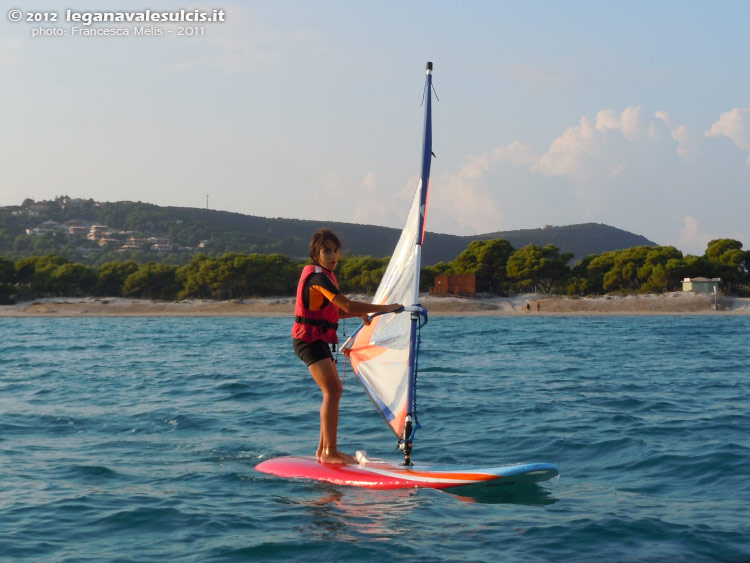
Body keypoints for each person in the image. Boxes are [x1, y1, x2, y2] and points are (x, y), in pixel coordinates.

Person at [292, 228, 403, 464]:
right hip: (308, 342)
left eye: (336, 251)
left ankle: (323, 451)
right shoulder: (318, 278)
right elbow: (349, 305)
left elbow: (331, 314)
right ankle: (330, 452)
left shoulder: (326, 277)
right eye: (327, 251)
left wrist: (357, 316)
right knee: (331, 391)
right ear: (316, 253)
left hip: (318, 339)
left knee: (335, 391)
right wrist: (384, 307)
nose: (333, 256)